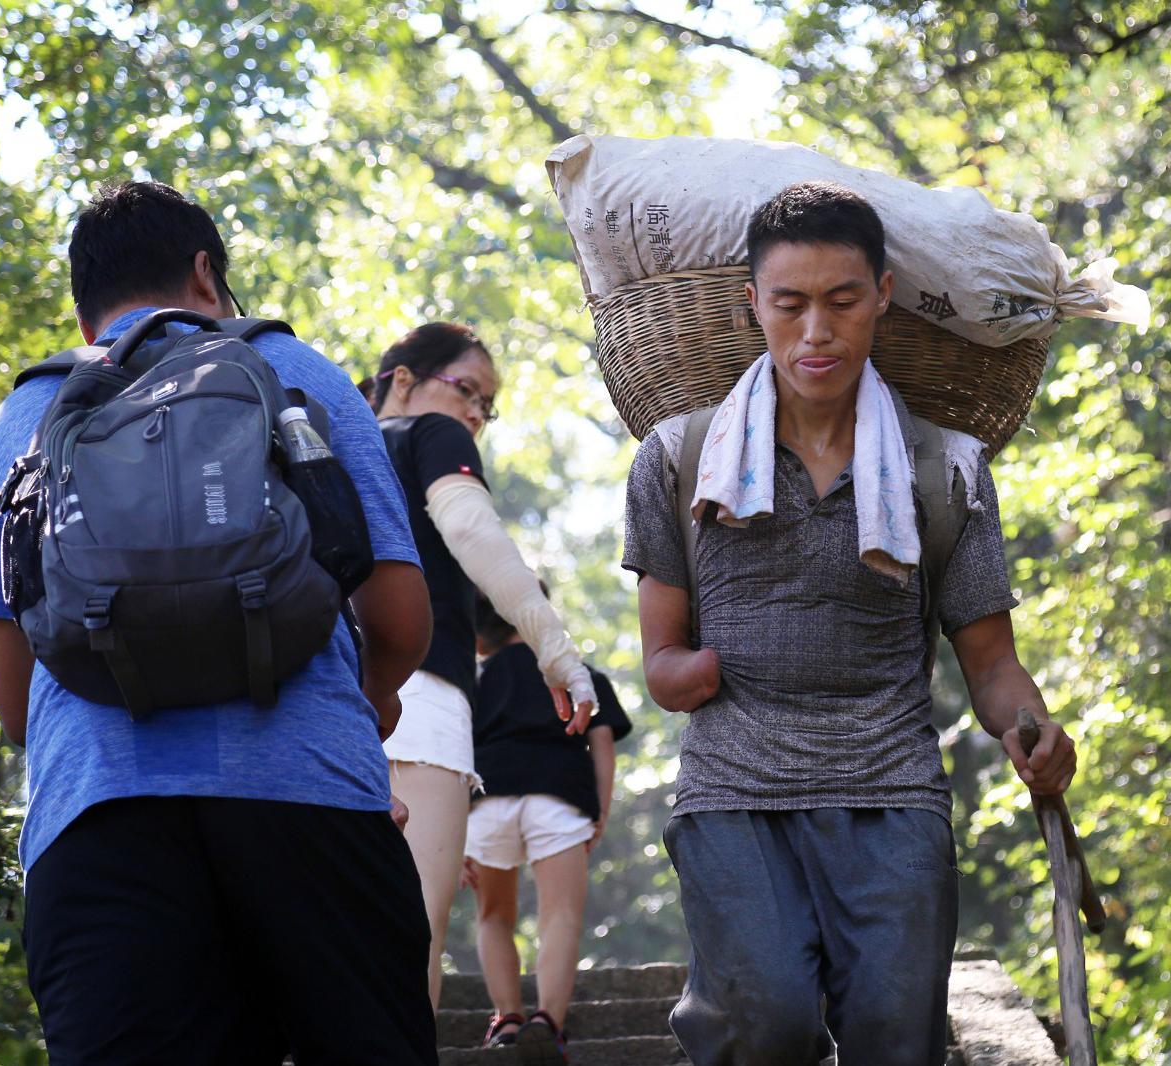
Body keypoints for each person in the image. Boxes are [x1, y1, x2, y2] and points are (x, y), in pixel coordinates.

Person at [0, 180, 438, 1063]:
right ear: (205, 273)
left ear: (82, 318)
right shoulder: (295, 373)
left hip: (102, 820)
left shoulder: (20, 420)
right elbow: (401, 617)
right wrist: (369, 699)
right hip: (310, 800)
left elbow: (15, 700)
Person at [621, 181, 1079, 1065]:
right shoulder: (681, 460)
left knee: (894, 1040)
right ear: (752, 304)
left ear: (883, 297)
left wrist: (1034, 727)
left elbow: (990, 665)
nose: (816, 332)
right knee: (771, 1026)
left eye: (840, 302)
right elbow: (661, 659)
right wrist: (689, 676)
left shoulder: (944, 468)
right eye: (789, 305)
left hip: (892, 794)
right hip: (735, 796)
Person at [368, 323, 597, 1008]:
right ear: (402, 379)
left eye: (486, 406)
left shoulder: (316, 437)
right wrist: (558, 652)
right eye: (468, 390)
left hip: (306, 703)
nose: (476, 413)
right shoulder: (428, 436)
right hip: (417, 697)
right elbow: (470, 529)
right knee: (412, 933)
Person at [463, 590, 633, 1060]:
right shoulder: (574, 673)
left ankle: (508, 1019)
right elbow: (601, 743)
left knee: (493, 914)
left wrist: (454, 833)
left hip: (486, 798)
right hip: (558, 795)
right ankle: (548, 1021)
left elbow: (454, 748)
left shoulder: (470, 683)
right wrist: (598, 808)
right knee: (559, 914)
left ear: (479, 638)